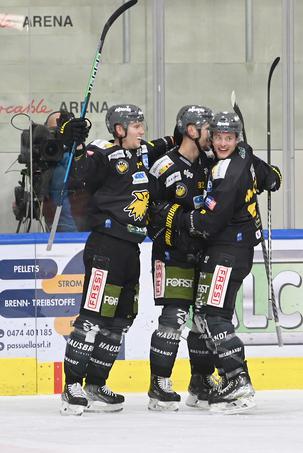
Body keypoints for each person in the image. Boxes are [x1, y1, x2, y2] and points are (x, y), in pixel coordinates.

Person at [158, 111, 281, 413]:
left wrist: (177, 218)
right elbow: (272, 180)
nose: (223, 143)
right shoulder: (245, 155)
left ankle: (238, 379)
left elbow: (208, 222)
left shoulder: (226, 173)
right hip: (232, 251)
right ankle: (216, 380)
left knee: (213, 315)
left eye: (229, 138)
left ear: (236, 138)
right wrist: (266, 171)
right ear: (211, 138)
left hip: (227, 252)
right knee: (206, 315)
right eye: (219, 137)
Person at [59, 104, 174, 415]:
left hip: (131, 250)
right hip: (105, 248)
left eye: (141, 124)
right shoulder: (102, 152)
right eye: (136, 125)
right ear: (120, 129)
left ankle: (96, 384)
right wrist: (70, 142)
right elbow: (74, 177)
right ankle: (71, 387)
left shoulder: (144, 152)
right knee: (92, 318)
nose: (142, 130)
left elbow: (175, 140)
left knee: (119, 321)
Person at [146, 105, 218, 411]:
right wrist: (183, 221)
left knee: (203, 319)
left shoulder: (210, 163)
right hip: (171, 252)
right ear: (191, 129)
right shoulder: (163, 166)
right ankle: (158, 384)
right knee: (173, 318)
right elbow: (148, 212)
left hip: (202, 252)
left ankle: (200, 381)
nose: (212, 136)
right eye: (207, 129)